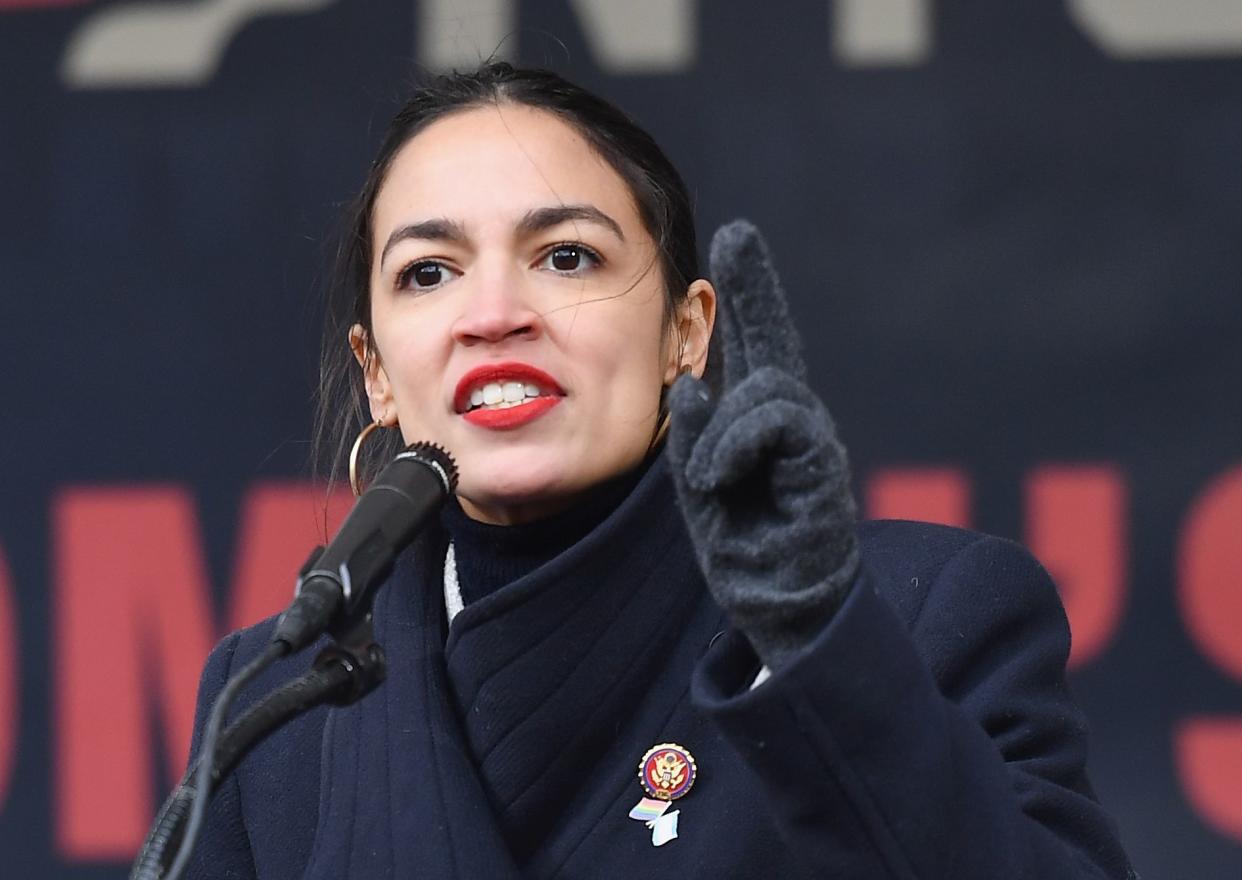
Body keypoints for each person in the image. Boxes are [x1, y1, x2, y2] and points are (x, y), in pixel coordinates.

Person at [185, 62, 1134, 879]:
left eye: (566, 256)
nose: (494, 312)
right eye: (429, 272)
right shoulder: (273, 707)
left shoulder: (924, 616)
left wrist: (823, 652)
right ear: (377, 372)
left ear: (687, 332)